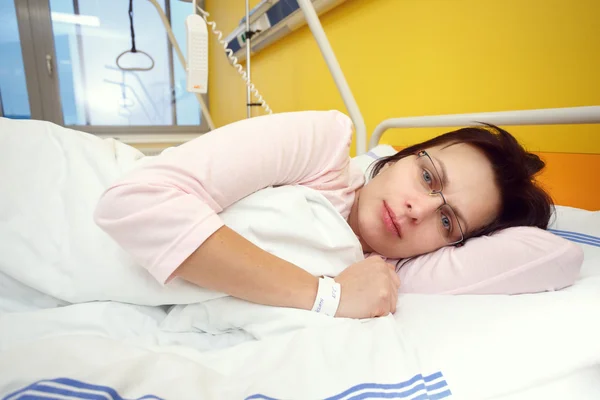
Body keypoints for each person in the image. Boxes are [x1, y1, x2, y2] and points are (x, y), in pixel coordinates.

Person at [94, 110, 553, 319]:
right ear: (396, 157)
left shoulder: (388, 275)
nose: (420, 210)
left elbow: (554, 258)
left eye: (448, 220)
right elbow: (135, 200)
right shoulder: (322, 147)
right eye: (428, 177)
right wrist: (326, 296)